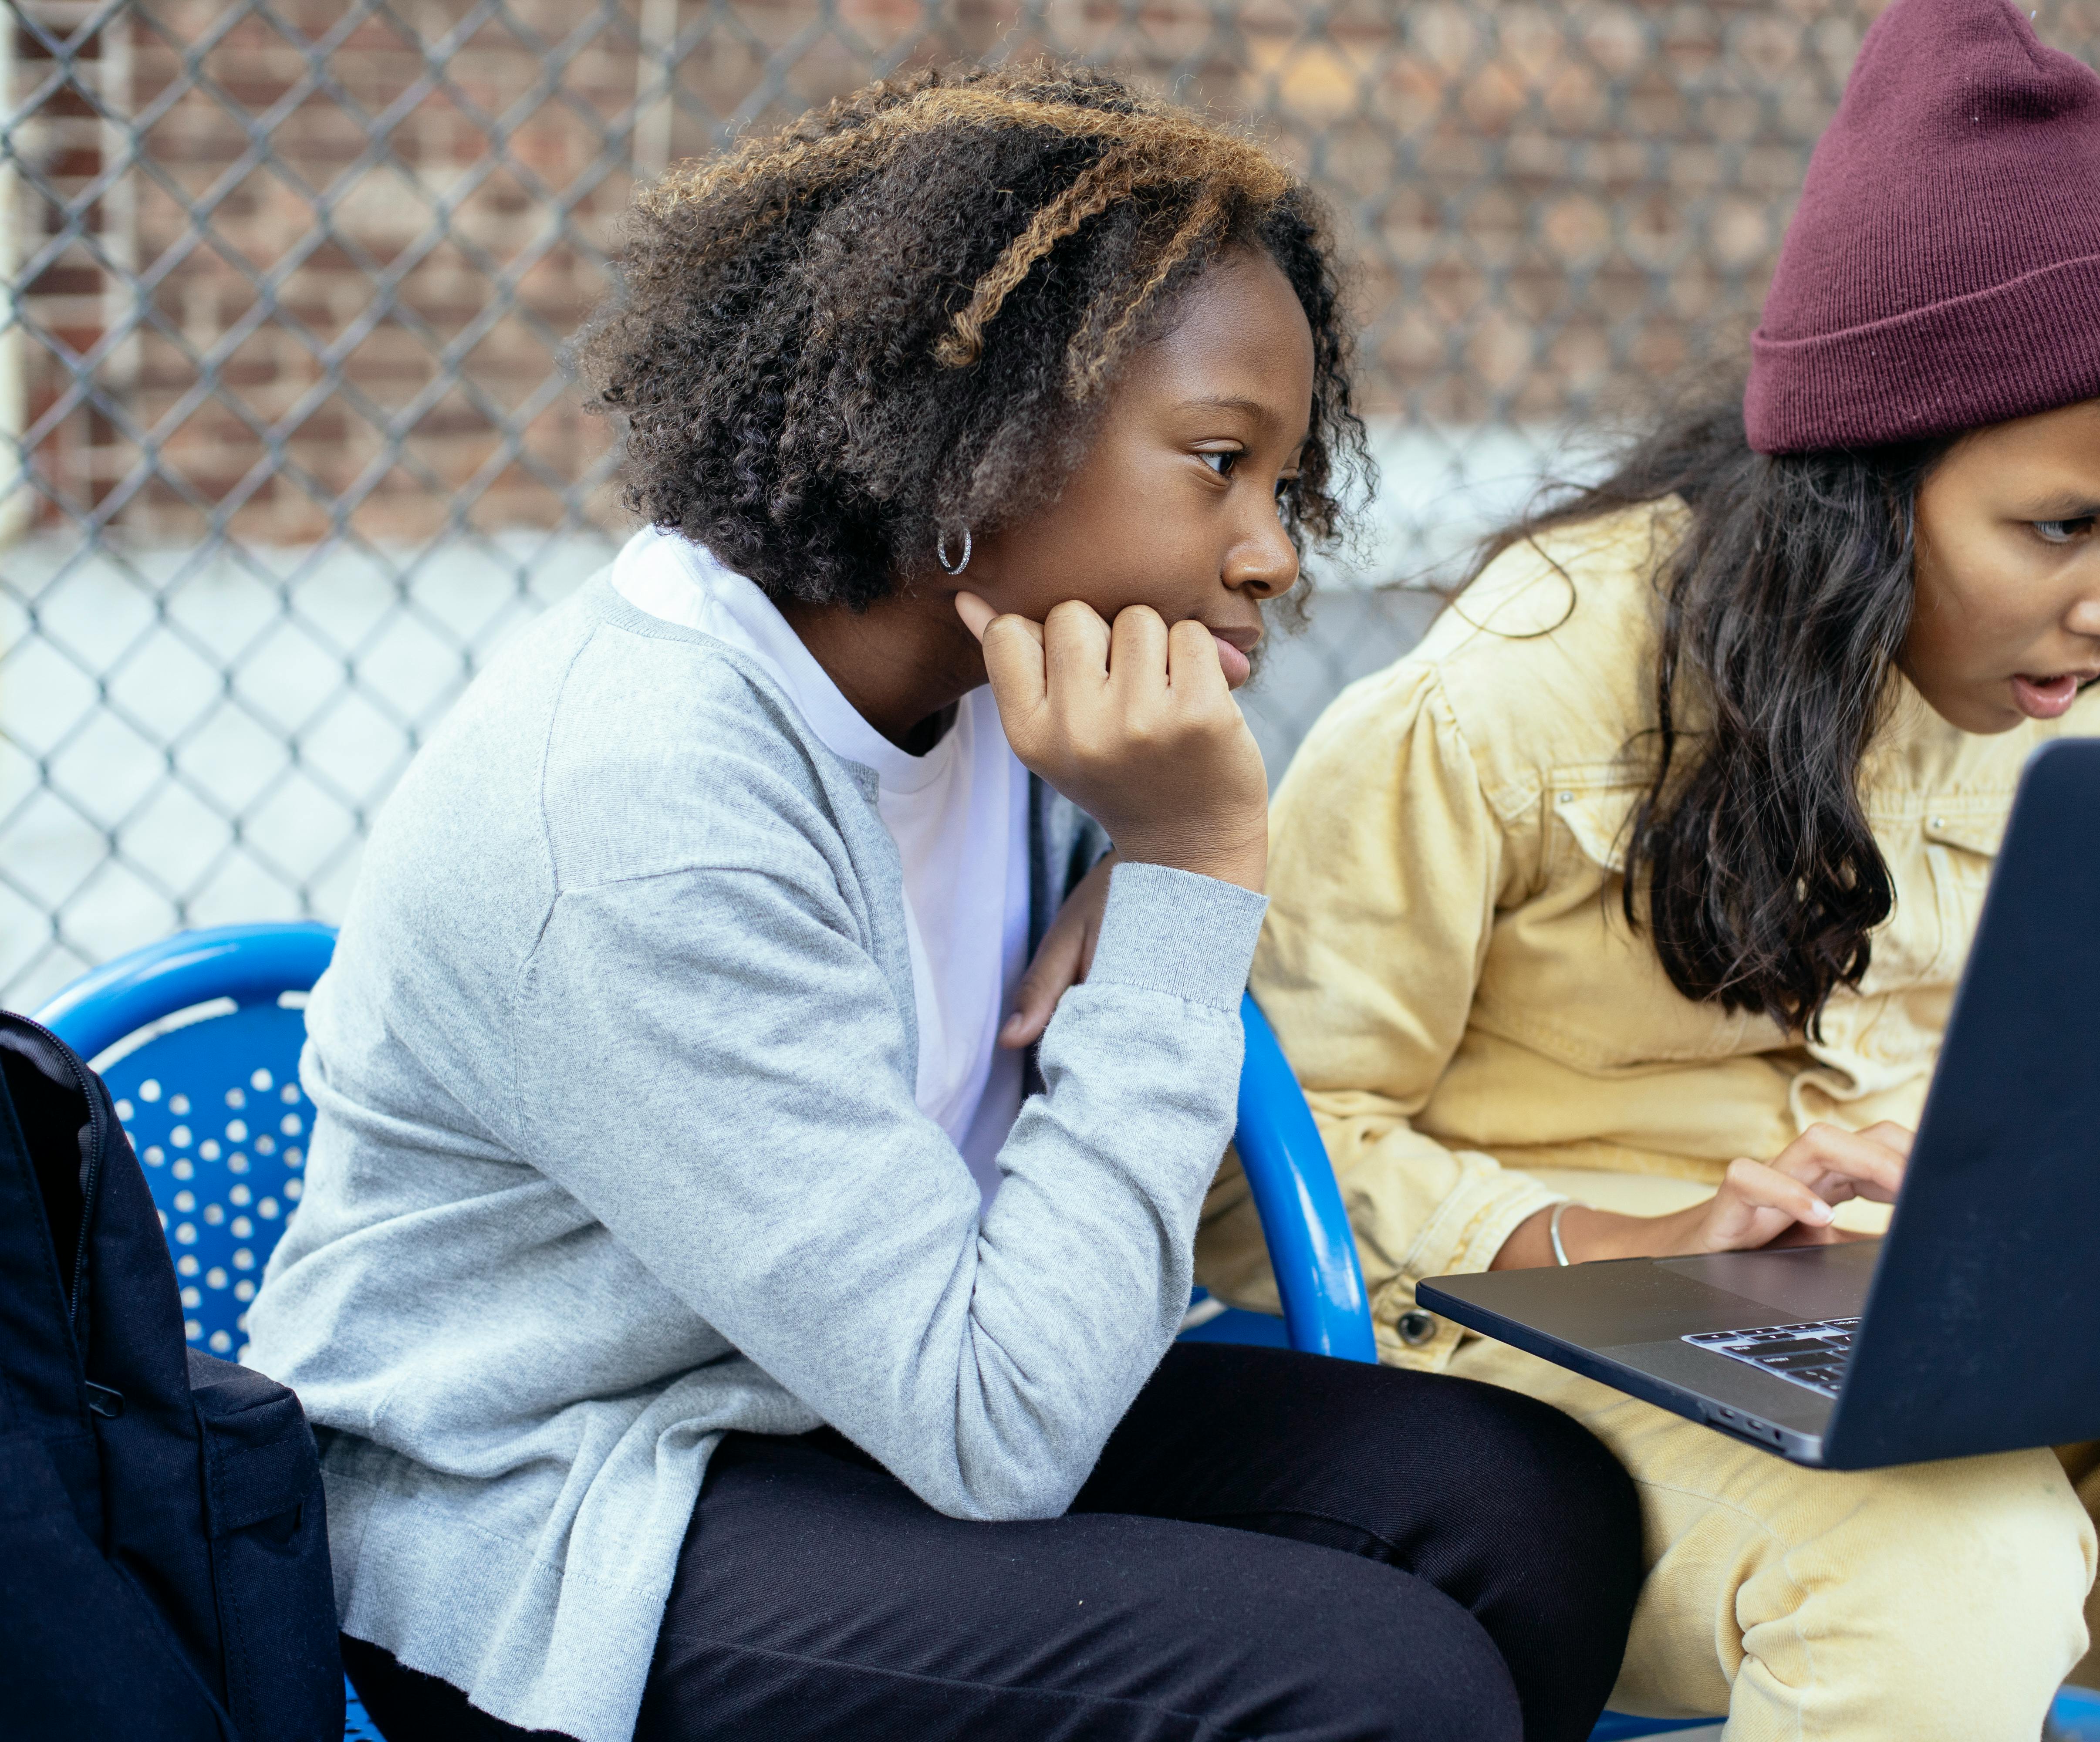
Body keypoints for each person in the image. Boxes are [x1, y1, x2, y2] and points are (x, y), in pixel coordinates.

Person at [243, 68, 1643, 1742]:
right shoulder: (636, 804)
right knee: (1366, 1685)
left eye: (1282, 479)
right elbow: (1002, 1430)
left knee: (1529, 1510)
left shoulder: (1015, 698)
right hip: (561, 1507)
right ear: (969, 432)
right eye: (1217, 464)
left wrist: (1144, 858)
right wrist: (1189, 877)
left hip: (868, 1396)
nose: (1273, 553)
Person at [1200, 4, 2100, 1738]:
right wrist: (1626, 1225)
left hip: (1954, 1320)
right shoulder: (1518, 691)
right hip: (1568, 1340)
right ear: (1865, 494)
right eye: (2065, 527)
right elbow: (1252, 1169)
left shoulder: (2082, 693)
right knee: (1946, 1562)